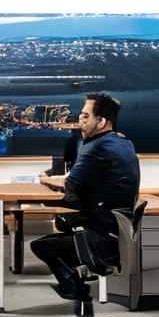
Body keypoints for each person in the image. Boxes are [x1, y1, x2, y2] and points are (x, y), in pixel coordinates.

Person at [30, 92, 140, 301]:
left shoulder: (96, 147)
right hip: (120, 234)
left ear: (101, 122)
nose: (80, 121)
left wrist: (45, 181)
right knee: (62, 228)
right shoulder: (123, 143)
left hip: (99, 238)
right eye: (80, 116)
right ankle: (78, 287)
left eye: (86, 117)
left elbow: (69, 184)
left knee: (41, 246)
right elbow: (77, 178)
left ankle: (75, 289)